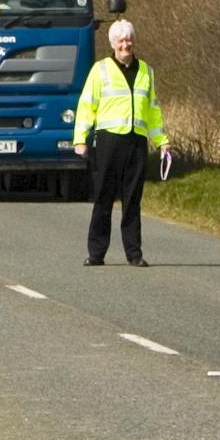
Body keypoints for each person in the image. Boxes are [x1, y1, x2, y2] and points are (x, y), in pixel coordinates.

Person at [71, 19, 168, 266]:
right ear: (113, 44)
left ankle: (134, 255)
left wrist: (162, 141)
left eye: (129, 40)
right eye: (121, 41)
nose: (126, 45)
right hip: (108, 140)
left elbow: (153, 110)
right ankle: (96, 254)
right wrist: (80, 139)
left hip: (136, 141)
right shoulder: (100, 69)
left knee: (132, 200)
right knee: (103, 198)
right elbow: (86, 105)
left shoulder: (146, 71)